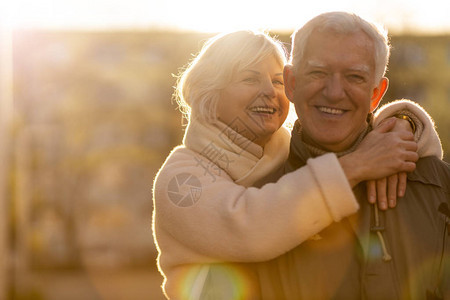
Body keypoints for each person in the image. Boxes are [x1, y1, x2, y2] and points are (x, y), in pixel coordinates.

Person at [152, 30, 442, 300]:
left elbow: (352, 128)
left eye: (278, 81)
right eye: (249, 79)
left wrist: (405, 122)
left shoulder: (284, 152)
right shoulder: (183, 177)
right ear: (209, 93)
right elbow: (253, 227)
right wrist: (356, 166)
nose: (269, 91)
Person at [256, 11, 449, 299]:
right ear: (292, 82)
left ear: (376, 94)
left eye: (354, 77)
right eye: (318, 72)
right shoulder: (252, 196)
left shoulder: (438, 187)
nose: (334, 92)